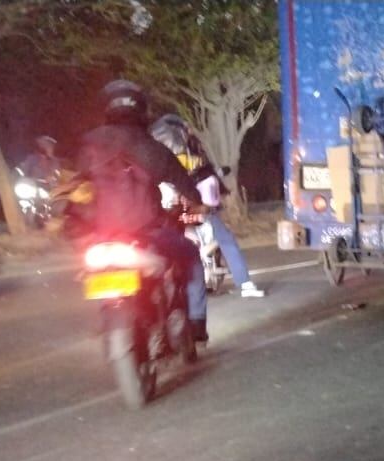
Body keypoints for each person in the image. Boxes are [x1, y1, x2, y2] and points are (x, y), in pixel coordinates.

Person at [71, 80, 211, 342]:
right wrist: (198, 203)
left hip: (102, 237)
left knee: (93, 267)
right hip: (147, 232)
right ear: (141, 110)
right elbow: (185, 186)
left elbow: (73, 185)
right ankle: (196, 324)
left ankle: (107, 316)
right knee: (191, 256)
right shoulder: (152, 148)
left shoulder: (89, 144)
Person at [148, 114, 264, 298]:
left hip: (169, 213)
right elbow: (204, 174)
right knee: (225, 238)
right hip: (191, 206)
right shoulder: (189, 154)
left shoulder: (154, 157)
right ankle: (245, 284)